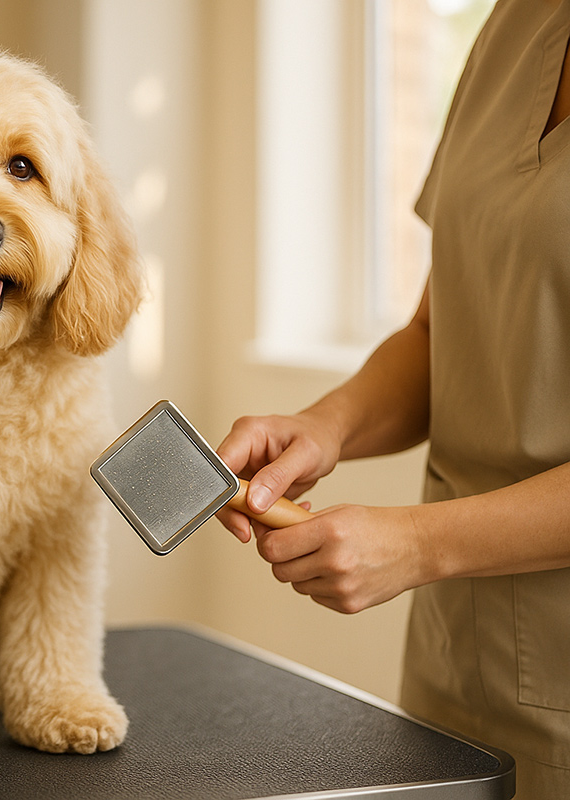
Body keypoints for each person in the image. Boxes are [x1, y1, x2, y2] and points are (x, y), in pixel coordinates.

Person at [213, 1, 570, 796]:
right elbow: (443, 330)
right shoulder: (516, 25)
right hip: (456, 668)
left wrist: (419, 544)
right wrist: (322, 426)